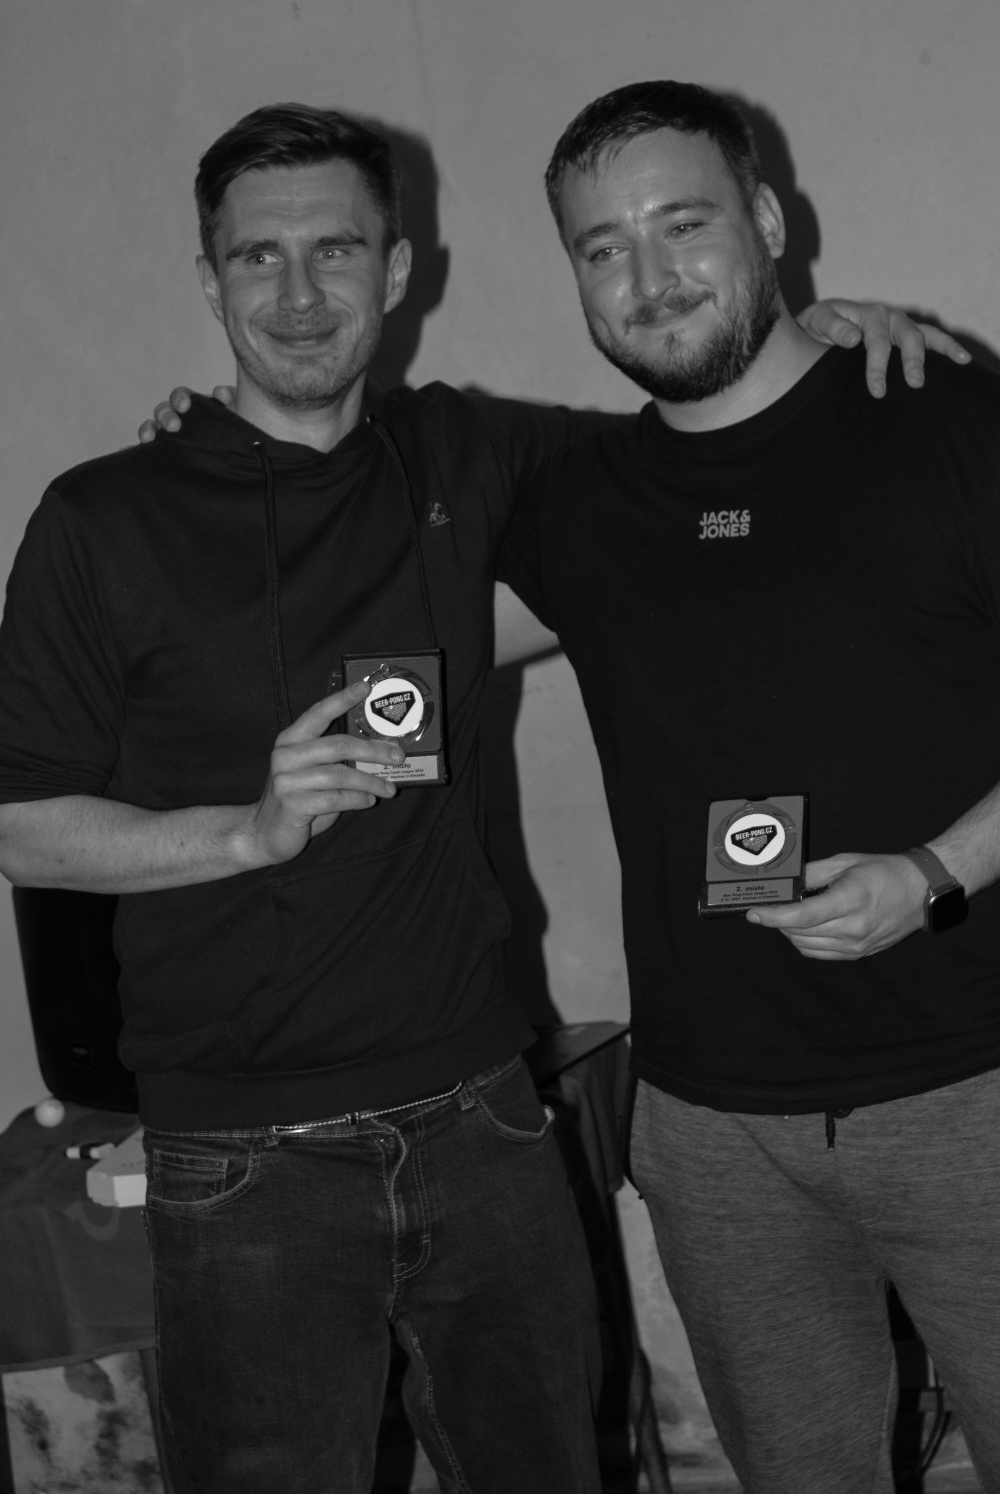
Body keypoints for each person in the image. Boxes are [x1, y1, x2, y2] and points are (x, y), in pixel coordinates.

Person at [1, 101, 955, 1493]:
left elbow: (697, 434)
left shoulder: (465, 454)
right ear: (209, 280)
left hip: (486, 1125)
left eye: (337, 250)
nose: (299, 293)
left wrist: (814, 334)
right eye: (258, 257)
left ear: (398, 271)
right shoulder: (102, 519)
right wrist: (245, 834)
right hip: (243, 1155)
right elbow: (22, 825)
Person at [496, 79, 1000, 1494]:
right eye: (603, 247)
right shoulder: (578, 506)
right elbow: (390, 616)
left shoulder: (952, 424)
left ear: (769, 221)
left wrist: (937, 873)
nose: (649, 278)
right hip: (714, 1133)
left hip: (975, 1090)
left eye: (684, 224)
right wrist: (233, 444)